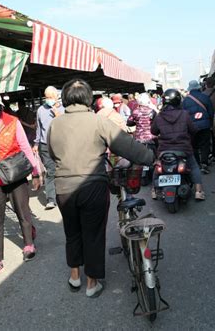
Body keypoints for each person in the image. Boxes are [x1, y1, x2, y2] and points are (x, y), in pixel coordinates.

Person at [47, 79, 153, 298]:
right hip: (93, 186)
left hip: (64, 187)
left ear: (65, 98)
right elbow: (126, 145)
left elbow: (50, 153)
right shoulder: (97, 121)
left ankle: (75, 277)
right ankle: (91, 284)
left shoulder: (55, 124)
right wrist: (151, 157)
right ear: (88, 98)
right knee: (93, 234)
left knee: (72, 231)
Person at [0, 90, 41, 281]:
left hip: (16, 175)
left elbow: (25, 147)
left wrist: (35, 172)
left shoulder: (13, 121)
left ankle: (29, 245)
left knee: (23, 212)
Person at [151, 89, 206, 201]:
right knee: (194, 166)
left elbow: (153, 131)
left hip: (164, 150)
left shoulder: (159, 116)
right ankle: (199, 191)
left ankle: (154, 190)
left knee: (157, 167)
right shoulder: (184, 114)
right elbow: (193, 130)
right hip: (183, 149)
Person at [33, 86, 64, 210]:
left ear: (57, 96)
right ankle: (51, 199)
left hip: (60, 144)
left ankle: (63, 194)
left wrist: (58, 116)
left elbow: (67, 127)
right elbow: (39, 128)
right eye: (47, 97)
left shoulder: (64, 109)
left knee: (62, 170)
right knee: (50, 171)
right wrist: (36, 144)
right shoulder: (41, 110)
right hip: (45, 145)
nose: (48, 99)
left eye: (51, 97)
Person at [182, 80, 214, 174]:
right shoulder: (205, 98)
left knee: (194, 146)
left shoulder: (185, 101)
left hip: (192, 127)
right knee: (205, 145)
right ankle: (204, 163)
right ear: (198, 87)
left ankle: (197, 164)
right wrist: (211, 124)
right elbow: (211, 112)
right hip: (205, 126)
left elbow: (183, 116)